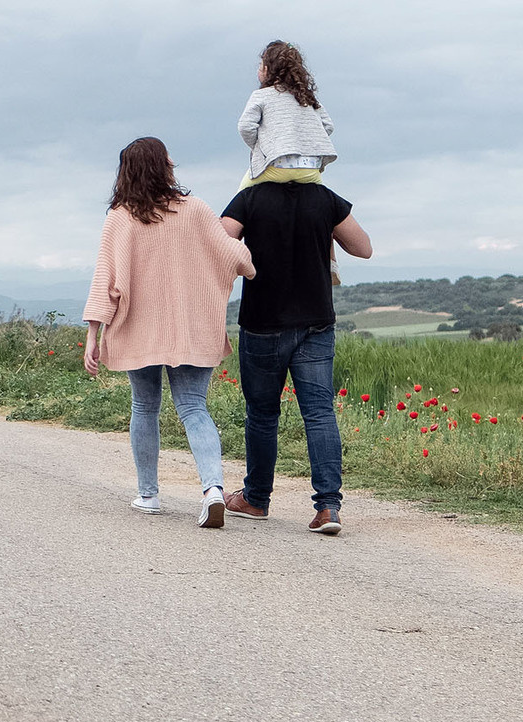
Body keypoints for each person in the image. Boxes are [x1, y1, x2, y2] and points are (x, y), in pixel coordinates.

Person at [82, 138, 255, 525]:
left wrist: (93, 334)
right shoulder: (195, 210)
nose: (175, 159)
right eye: (168, 155)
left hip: (138, 327)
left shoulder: (120, 217)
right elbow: (233, 256)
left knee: (145, 406)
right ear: (162, 165)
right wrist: (248, 261)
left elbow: (104, 280)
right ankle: (213, 489)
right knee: (194, 408)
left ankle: (149, 495)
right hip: (192, 328)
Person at [218, 166, 372, 536]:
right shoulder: (325, 199)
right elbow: (363, 248)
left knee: (262, 414)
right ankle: (328, 508)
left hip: (263, 323)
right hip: (317, 321)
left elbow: (217, 245)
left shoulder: (250, 198)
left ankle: (255, 499)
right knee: (319, 412)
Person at [238, 39, 336, 183]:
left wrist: (264, 146)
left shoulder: (261, 95)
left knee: (244, 192)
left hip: (277, 167)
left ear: (266, 70)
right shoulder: (307, 97)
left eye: (260, 65)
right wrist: (305, 141)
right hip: (310, 170)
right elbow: (328, 126)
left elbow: (245, 126)